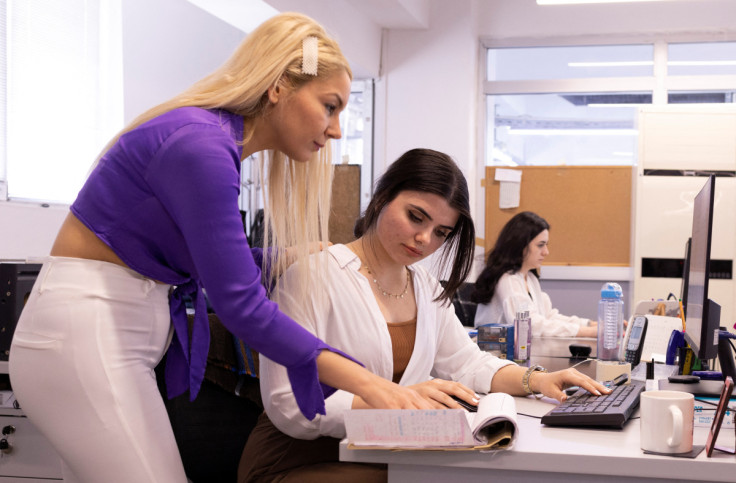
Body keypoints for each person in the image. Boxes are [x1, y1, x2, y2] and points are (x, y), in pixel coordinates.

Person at [8, 12, 428, 483]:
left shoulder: (215, 143)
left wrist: (280, 257)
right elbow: (241, 305)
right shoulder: (203, 147)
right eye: (330, 106)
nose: (335, 130)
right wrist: (370, 384)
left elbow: (209, 262)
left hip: (104, 336)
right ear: (278, 87)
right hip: (85, 337)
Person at [238, 149, 609, 483]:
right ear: (382, 197)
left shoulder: (426, 287)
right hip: (299, 461)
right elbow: (287, 403)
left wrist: (537, 380)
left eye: (441, 232)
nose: (424, 240)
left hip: (390, 454)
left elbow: (466, 362)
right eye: (416, 217)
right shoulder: (312, 277)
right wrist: (397, 399)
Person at [471, 211, 598, 337]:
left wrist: (588, 324)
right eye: (540, 245)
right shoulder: (507, 279)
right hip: (496, 353)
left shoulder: (530, 278)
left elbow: (547, 316)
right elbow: (529, 325)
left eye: (546, 245)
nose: (546, 252)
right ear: (520, 245)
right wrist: (585, 332)